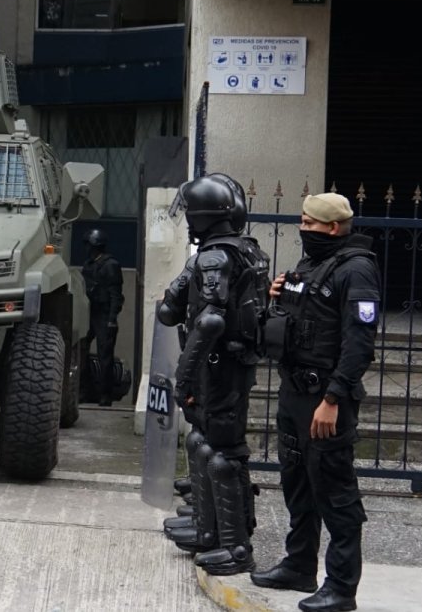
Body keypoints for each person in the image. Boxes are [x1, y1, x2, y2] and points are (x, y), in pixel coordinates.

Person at [252, 192, 378, 612]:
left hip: (325, 397)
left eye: (309, 223)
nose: (303, 229)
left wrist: (334, 397)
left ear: (333, 227)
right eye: (302, 221)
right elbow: (299, 320)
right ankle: (299, 565)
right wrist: (276, 295)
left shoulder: (356, 270)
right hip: (294, 392)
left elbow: (359, 344)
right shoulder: (311, 264)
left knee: (335, 492)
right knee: (298, 484)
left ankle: (341, 588)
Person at [158, 173, 269, 576]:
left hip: (219, 365)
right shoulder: (245, 250)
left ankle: (236, 548)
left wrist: (184, 377)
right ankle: (209, 532)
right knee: (205, 443)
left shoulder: (215, 257)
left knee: (222, 455)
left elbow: (208, 323)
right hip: (229, 364)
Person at [81, 228, 123, 405]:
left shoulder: (110, 265)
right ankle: (85, 391)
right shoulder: (89, 264)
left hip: (104, 314)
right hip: (89, 312)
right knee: (81, 352)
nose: (86, 248)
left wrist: (112, 318)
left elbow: (115, 294)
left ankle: (105, 394)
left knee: (104, 356)